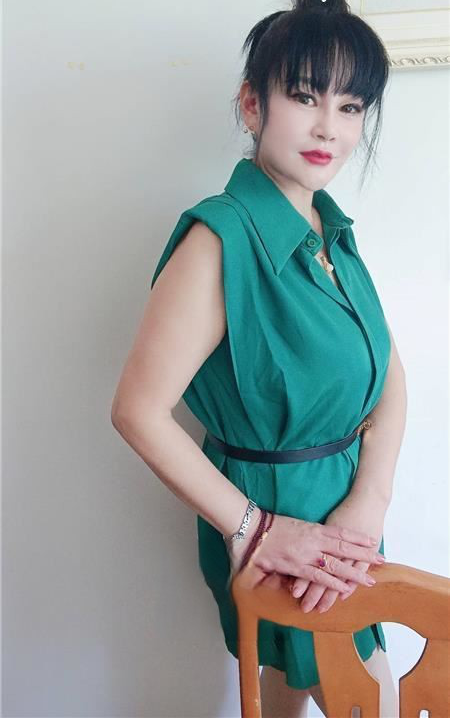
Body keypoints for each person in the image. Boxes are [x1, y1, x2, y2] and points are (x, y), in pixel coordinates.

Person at [111, 0, 407, 715]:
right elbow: (138, 411)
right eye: (305, 97)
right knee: (371, 700)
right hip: (283, 529)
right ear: (252, 104)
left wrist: (369, 500)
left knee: (292, 694)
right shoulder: (219, 241)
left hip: (344, 521)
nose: (328, 127)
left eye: (350, 106)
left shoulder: (331, 231)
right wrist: (257, 529)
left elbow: (389, 370)